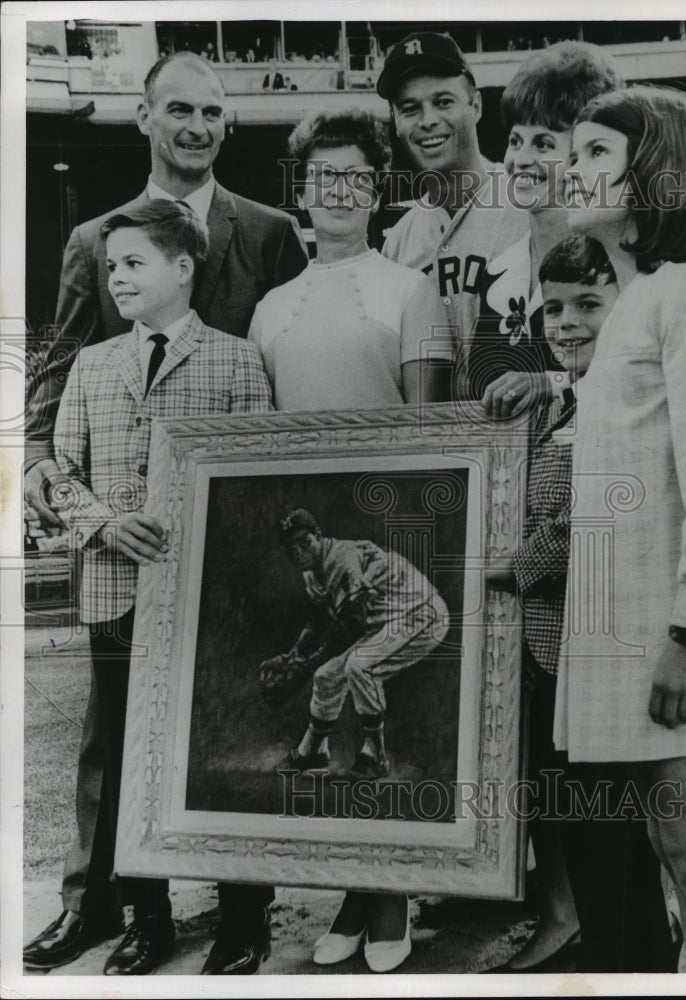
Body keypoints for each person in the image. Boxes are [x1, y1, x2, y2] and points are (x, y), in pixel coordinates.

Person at [23, 202, 274, 976]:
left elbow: (255, 479)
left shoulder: (237, 361)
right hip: (113, 593)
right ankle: (145, 914)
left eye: (133, 263)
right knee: (128, 754)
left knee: (221, 754)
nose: (116, 277)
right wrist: (102, 524)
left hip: (207, 598)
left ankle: (241, 914)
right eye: (110, 267)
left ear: (183, 267)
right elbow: (59, 475)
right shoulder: (95, 365)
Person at [557, 85, 686, 971]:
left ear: (655, 173)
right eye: (575, 152)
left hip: (674, 635)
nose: (574, 167)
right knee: (674, 850)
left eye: (597, 153)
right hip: (626, 629)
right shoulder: (637, 302)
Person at [249, 109, 452, 972]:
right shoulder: (268, 309)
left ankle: (390, 897)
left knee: (380, 716)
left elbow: (436, 432)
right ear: (300, 187)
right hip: (320, 515)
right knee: (336, 722)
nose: (337, 189)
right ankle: (348, 889)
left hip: (391, 524)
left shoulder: (410, 293)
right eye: (321, 174)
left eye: (356, 175)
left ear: (378, 189)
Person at [489, 235, 678, 973]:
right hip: (548, 652)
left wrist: (516, 568)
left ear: (622, 308)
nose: (566, 323)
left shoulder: (631, 395)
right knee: (579, 825)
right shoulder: (562, 397)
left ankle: (640, 962)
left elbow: (600, 511)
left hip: (603, 653)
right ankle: (608, 949)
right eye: (554, 309)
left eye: (588, 305)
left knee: (614, 829)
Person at [25, 51, 306, 533]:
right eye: (180, 110)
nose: (198, 127)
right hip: (124, 514)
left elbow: (298, 365)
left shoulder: (273, 234)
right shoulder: (93, 242)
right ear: (143, 118)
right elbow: (62, 366)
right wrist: (33, 458)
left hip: (235, 510)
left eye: (212, 112)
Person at [466, 41, 622, 412]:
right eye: (516, 140)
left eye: (543, 143)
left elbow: (636, 378)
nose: (520, 159)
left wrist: (552, 384)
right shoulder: (497, 273)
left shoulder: (617, 265)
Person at [376, 31, 530, 398]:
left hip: (524, 437)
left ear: (475, 105)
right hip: (438, 447)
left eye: (443, 102)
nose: (427, 120)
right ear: (396, 122)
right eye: (410, 108)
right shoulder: (398, 241)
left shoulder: (528, 206)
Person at [267, 508, 449, 779]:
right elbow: (317, 618)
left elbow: (353, 624)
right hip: (388, 619)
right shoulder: (312, 571)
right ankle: (313, 752)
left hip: (421, 612)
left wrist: (304, 666)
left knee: (360, 666)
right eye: (291, 548)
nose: (299, 552)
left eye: (304, 543)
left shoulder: (342, 559)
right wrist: (295, 654)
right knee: (326, 677)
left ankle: (375, 756)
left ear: (318, 536)